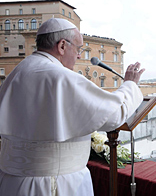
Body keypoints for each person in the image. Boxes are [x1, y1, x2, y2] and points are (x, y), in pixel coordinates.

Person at [0, 18, 145, 196]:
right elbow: (114, 115)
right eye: (78, 49)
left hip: (12, 182)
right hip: (55, 184)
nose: (78, 55)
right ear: (62, 46)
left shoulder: (17, 72)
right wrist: (130, 85)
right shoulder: (61, 76)